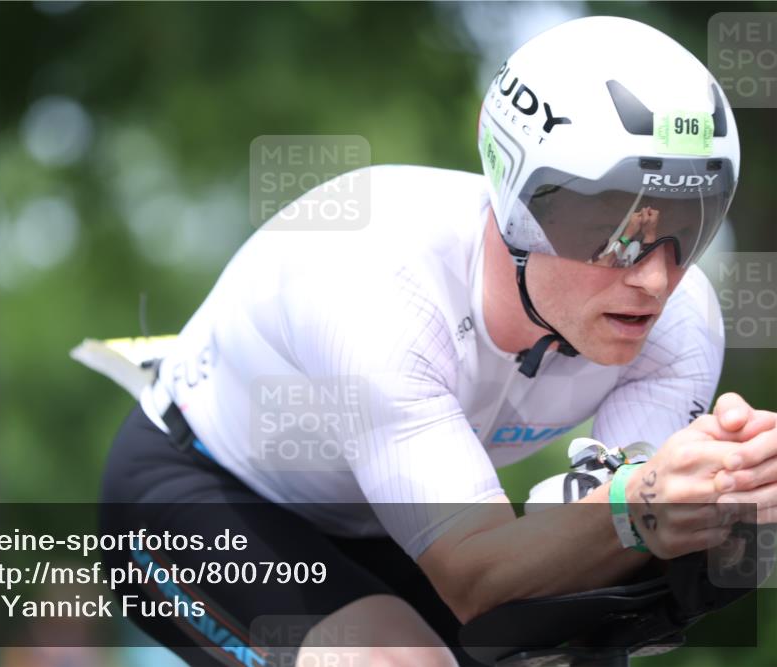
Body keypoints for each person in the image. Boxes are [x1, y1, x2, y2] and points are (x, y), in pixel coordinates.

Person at [99, 15, 776, 667]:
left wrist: (735, 498)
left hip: (395, 524)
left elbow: (596, 561)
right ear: (523, 204)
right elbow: (477, 573)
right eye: (624, 230)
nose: (657, 277)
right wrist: (641, 506)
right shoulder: (377, 284)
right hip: (208, 490)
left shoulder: (682, 321)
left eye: (689, 226)